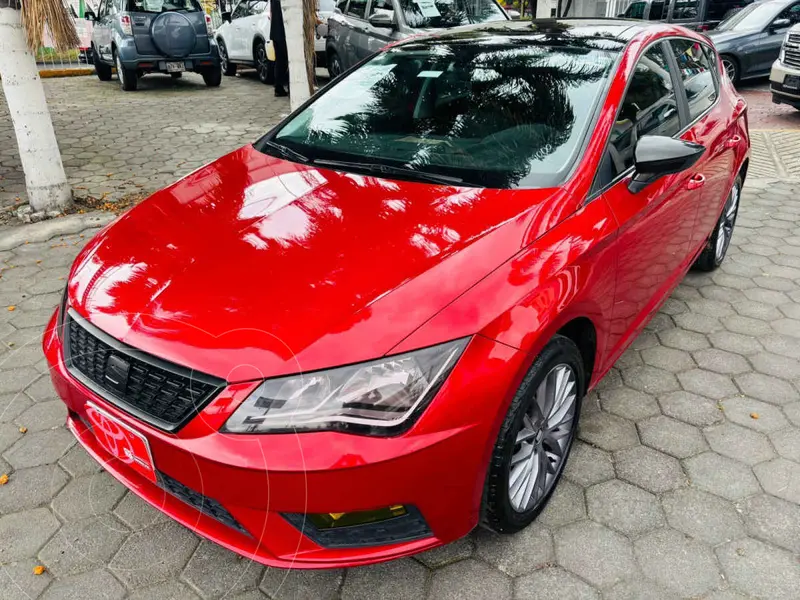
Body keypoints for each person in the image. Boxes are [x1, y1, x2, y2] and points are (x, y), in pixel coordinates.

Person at [270, 0, 289, 97]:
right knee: (289, 60)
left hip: (275, 32)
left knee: (280, 61)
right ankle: (290, 86)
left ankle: (278, 87)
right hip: (284, 32)